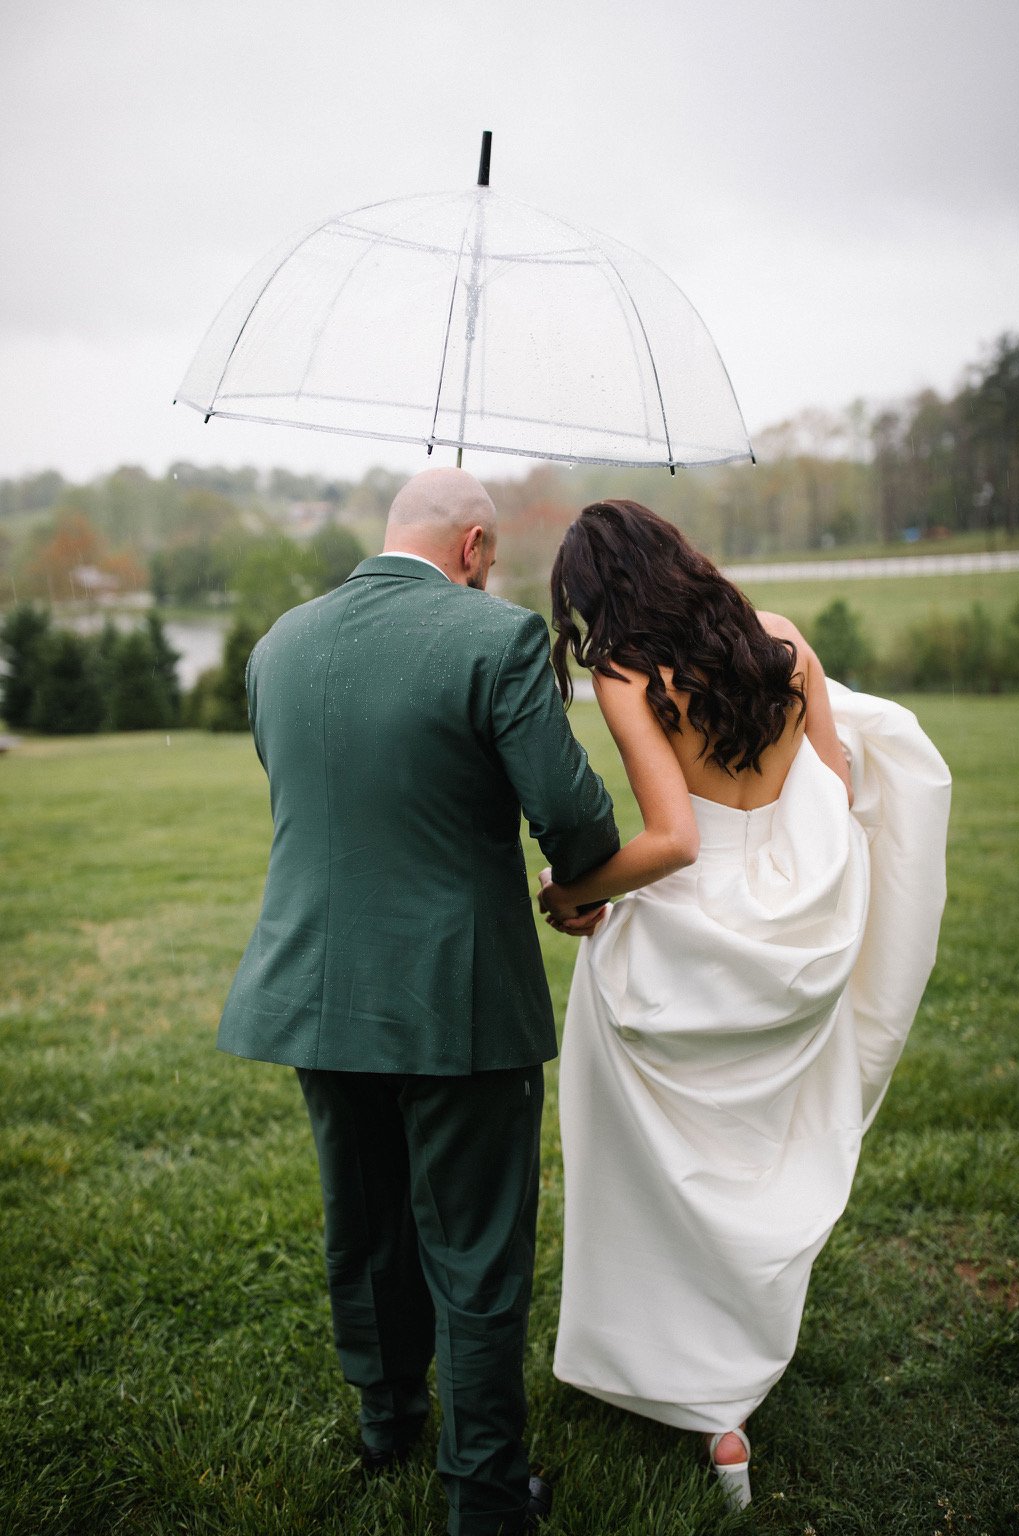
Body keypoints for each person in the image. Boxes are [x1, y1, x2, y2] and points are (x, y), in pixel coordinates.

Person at [218, 467, 619, 1536]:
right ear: (475, 545)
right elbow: (574, 819)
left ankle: (387, 1421)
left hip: (315, 991)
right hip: (458, 1000)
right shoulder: (495, 640)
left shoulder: (280, 644)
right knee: (476, 1249)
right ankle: (484, 1494)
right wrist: (572, 888)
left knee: (366, 1220)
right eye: (490, 556)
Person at [537, 500, 951, 1509]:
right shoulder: (782, 642)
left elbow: (674, 839)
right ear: (677, 561)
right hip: (798, 933)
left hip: (688, 936)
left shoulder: (626, 675)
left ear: (596, 595)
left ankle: (676, 1373)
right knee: (747, 1155)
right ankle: (726, 1402)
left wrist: (574, 890)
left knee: (644, 1156)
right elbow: (838, 789)